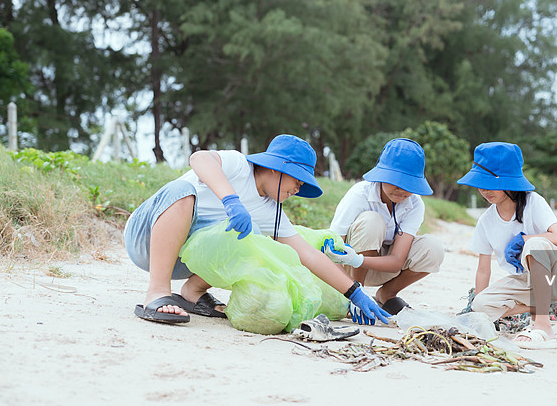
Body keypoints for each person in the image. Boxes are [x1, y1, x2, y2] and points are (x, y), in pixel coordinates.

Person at [125, 134, 390, 326]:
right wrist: (231, 200)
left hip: (183, 262)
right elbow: (199, 158)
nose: (298, 189)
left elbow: (308, 255)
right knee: (182, 191)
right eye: (298, 180)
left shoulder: (271, 211)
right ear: (277, 169)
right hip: (146, 239)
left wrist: (354, 292)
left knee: (257, 238)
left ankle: (192, 293)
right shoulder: (239, 166)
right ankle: (157, 292)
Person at [457, 141, 557, 350]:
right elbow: (483, 270)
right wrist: (478, 317)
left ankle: (543, 327)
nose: (484, 190)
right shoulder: (486, 221)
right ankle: (543, 313)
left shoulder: (533, 202)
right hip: (527, 281)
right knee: (481, 305)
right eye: (481, 183)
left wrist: (524, 239)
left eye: (491, 184)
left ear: (510, 182)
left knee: (535, 245)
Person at [324, 138, 445, 316]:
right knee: (373, 221)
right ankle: (356, 294)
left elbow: (396, 261)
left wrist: (359, 260)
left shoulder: (415, 204)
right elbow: (330, 250)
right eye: (395, 181)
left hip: (381, 266)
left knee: (433, 249)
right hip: (348, 266)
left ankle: (387, 294)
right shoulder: (360, 194)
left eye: (409, 184)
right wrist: (347, 288)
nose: (402, 190)